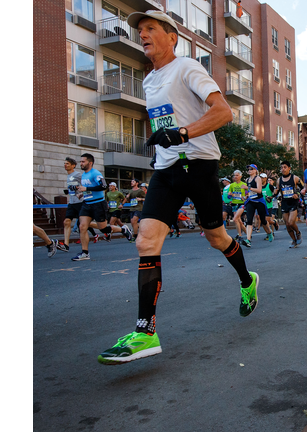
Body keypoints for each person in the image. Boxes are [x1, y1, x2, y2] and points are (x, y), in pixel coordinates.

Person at [97, 10, 259, 365]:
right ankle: (145, 331)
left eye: (151, 28)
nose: (143, 34)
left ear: (172, 37)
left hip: (199, 164)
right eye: (140, 30)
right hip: (167, 168)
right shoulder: (149, 80)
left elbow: (223, 112)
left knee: (216, 237)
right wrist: (162, 136)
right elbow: (168, 118)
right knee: (145, 238)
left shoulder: (187, 67)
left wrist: (182, 133)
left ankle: (247, 281)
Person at [72, 153, 133, 260]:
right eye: (80, 161)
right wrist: (82, 193)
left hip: (98, 204)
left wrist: (86, 189)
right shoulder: (84, 175)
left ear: (90, 163)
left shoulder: (95, 173)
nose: (80, 163)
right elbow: (89, 188)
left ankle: (123, 230)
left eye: (83, 161)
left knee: (103, 228)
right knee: (82, 226)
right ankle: (85, 253)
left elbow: (103, 186)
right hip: (87, 203)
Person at [57, 157, 94, 253]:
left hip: (80, 202)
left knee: (85, 224)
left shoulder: (77, 174)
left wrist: (81, 192)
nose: (65, 165)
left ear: (73, 165)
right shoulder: (68, 176)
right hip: (72, 202)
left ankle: (111, 229)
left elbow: (86, 185)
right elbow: (72, 189)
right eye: (64, 163)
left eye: (67, 164)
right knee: (66, 222)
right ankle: (66, 245)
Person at [242, 164, 273, 245]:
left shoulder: (258, 178)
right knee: (249, 220)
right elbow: (248, 192)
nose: (249, 170)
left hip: (259, 201)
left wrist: (248, 188)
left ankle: (269, 232)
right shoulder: (247, 179)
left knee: (263, 220)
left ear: (255, 170)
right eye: (248, 169)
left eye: (251, 169)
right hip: (251, 201)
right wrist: (246, 195)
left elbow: (259, 190)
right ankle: (248, 240)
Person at [276, 160, 305, 248]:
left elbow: (303, 189)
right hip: (284, 203)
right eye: (281, 168)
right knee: (287, 224)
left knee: (291, 222)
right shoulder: (279, 180)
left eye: (285, 167)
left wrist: (298, 194)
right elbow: (277, 191)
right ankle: (294, 240)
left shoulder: (295, 178)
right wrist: (273, 195)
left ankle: (298, 233)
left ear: (289, 168)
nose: (283, 169)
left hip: (293, 203)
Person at [228, 170, 250, 247]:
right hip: (234, 203)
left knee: (235, 219)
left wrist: (246, 197)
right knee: (239, 221)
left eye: (237, 175)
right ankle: (248, 235)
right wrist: (230, 195)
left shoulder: (244, 184)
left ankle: (240, 236)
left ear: (240, 176)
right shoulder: (232, 185)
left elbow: (248, 194)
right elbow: (229, 196)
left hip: (241, 204)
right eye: (234, 175)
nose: (235, 177)